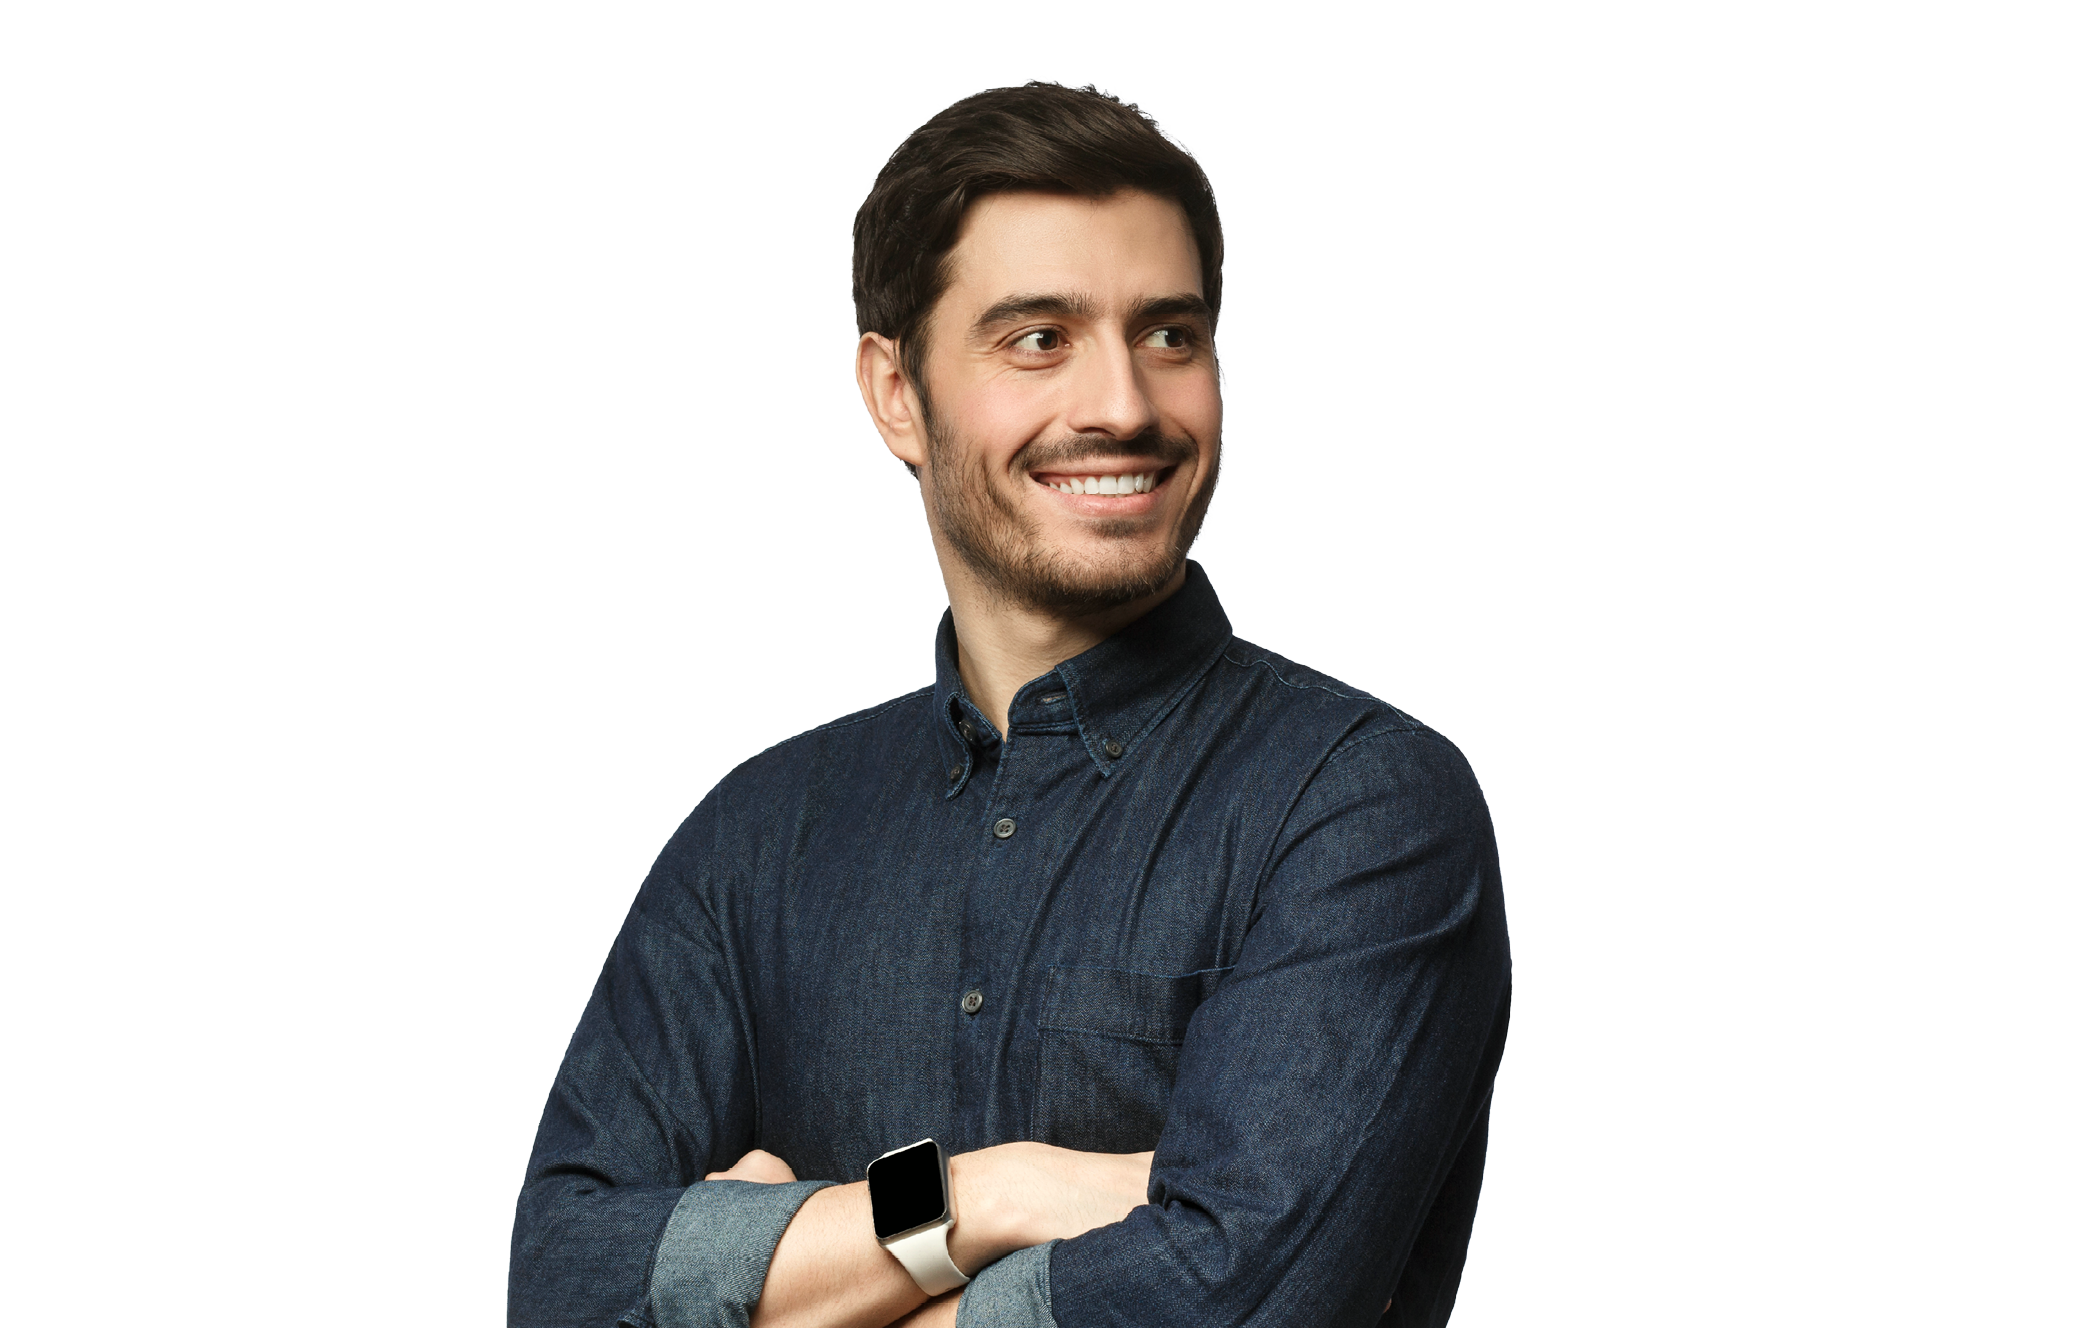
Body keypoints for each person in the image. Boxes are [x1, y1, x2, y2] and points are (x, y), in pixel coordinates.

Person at [509, 81, 1511, 1328]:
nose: (1125, 405)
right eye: (1039, 337)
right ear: (895, 393)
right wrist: (994, 1193)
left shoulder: (1359, 807)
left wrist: (783, 1265)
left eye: (1169, 334)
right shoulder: (759, 839)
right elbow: (563, 1281)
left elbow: (1233, 1304)